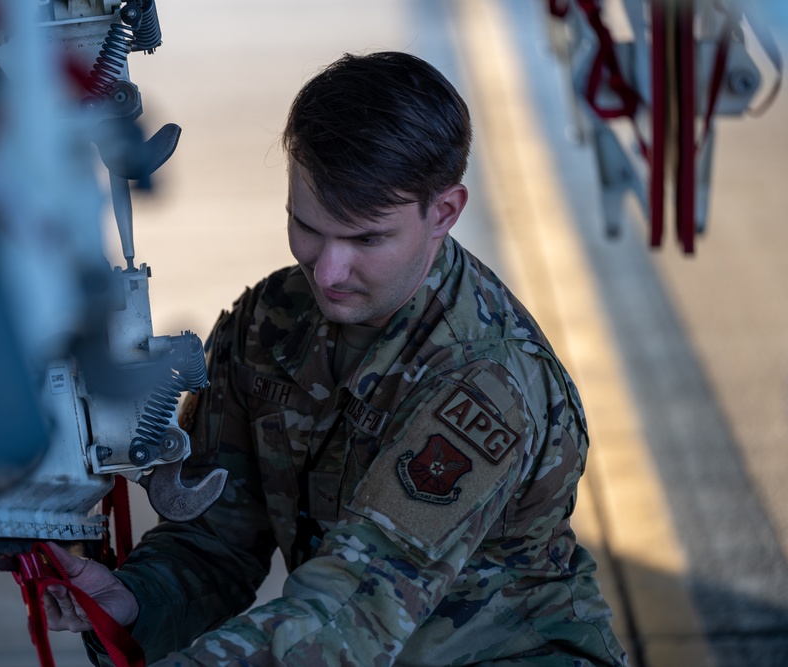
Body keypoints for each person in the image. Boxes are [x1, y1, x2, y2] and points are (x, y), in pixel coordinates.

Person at [43, 51, 630, 666]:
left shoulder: (486, 380)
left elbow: (354, 604)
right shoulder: (268, 322)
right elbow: (217, 540)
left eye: (366, 239)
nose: (327, 271)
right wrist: (135, 600)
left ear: (445, 214)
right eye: (307, 226)